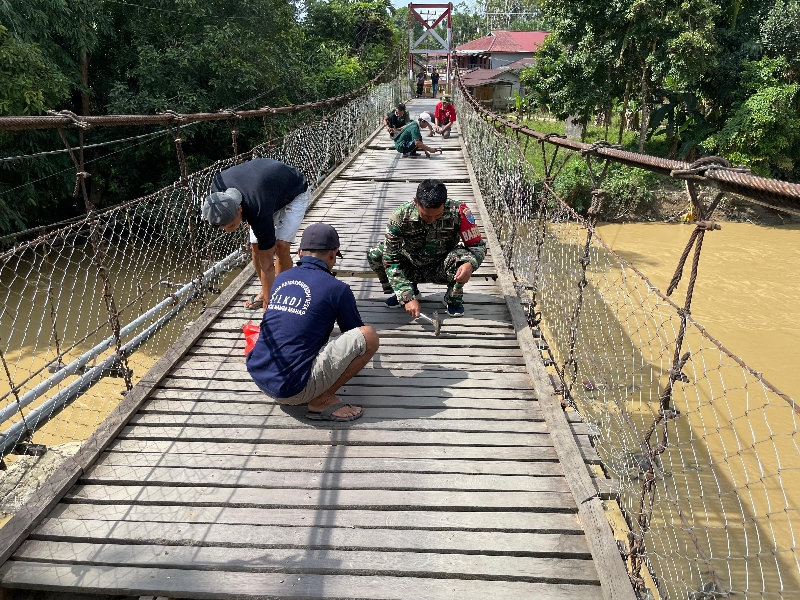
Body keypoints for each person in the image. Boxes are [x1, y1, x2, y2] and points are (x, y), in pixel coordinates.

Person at [246, 223, 380, 421]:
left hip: (258, 374)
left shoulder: (281, 278)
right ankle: (322, 400)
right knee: (369, 337)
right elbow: (355, 333)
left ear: (299, 253)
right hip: (292, 390)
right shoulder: (338, 289)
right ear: (333, 254)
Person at [203, 158, 311, 311]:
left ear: (240, 209)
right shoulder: (217, 192)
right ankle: (268, 291)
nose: (228, 231)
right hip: (266, 191)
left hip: (294, 192)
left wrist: (268, 311)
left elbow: (267, 265)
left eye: (232, 225)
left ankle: (279, 298)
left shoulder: (257, 208)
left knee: (281, 246)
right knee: (255, 248)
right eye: (223, 228)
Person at [367, 179, 486, 317]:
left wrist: (470, 264)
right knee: (376, 254)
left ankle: (453, 298)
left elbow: (478, 246)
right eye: (426, 215)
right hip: (410, 265)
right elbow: (391, 258)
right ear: (416, 202)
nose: (432, 220)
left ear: (445, 202)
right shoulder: (399, 217)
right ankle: (407, 290)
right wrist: (407, 297)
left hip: (441, 267)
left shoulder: (459, 212)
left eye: (438, 215)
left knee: (465, 259)